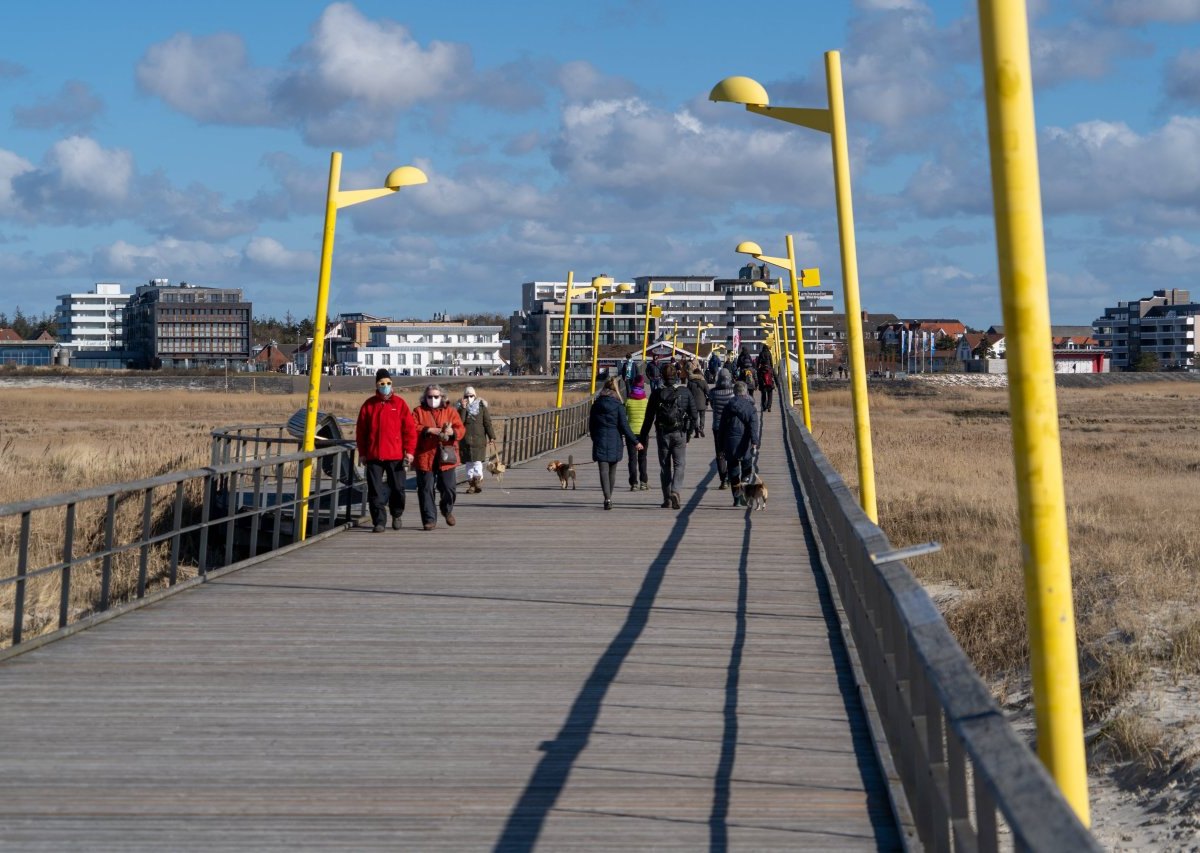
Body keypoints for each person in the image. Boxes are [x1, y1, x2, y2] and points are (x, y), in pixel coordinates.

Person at [355, 368, 417, 532]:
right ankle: (379, 521)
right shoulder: (369, 405)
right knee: (374, 490)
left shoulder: (400, 404)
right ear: (376, 385)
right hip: (374, 455)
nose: (385, 386)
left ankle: (397, 514)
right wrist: (362, 453)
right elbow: (361, 431)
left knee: (398, 488)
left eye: (388, 383)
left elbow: (410, 430)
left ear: (392, 384)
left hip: (395, 455)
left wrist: (409, 451)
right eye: (382, 384)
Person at [638, 363, 699, 510]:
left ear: (662, 376)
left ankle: (667, 499)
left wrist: (642, 437)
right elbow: (694, 414)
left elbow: (648, 418)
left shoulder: (656, 393)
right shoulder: (684, 392)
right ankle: (675, 491)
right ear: (677, 374)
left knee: (665, 467)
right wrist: (689, 434)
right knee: (680, 464)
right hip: (680, 433)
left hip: (662, 433)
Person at [412, 384, 466, 531]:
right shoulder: (418, 411)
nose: (433, 399)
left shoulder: (451, 411)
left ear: (442, 397)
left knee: (449, 488)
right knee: (426, 488)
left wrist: (452, 432)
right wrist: (428, 430)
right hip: (425, 456)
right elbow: (412, 427)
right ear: (425, 397)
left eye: (436, 396)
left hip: (446, 455)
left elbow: (461, 430)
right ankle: (429, 519)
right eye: (430, 397)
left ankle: (446, 509)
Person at [589, 378, 643, 510]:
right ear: (615, 390)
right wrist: (635, 442)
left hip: (600, 438)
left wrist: (595, 438)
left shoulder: (596, 405)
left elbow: (591, 426)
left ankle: (606, 498)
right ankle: (609, 498)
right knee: (612, 472)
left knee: (603, 471)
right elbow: (624, 426)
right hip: (615, 439)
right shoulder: (618, 406)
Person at [718, 381, 761, 507]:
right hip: (745, 442)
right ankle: (744, 488)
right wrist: (754, 442)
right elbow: (753, 426)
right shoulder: (750, 407)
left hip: (730, 442)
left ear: (734, 392)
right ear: (745, 392)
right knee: (747, 468)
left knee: (733, 470)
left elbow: (722, 428)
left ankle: (736, 498)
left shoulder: (727, 407)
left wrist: (720, 446)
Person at [456, 385, 495, 494]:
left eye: (471, 396)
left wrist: (491, 436)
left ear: (475, 395)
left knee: (477, 462)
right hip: (465, 440)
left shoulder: (481, 406)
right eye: (466, 396)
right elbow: (460, 423)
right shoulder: (459, 407)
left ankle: (477, 482)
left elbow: (487, 422)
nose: (469, 398)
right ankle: (471, 485)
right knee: (468, 463)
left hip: (479, 439)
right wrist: (463, 408)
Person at [707, 368, 736, 489]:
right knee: (731, 452)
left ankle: (723, 480)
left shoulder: (713, 392)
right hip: (731, 426)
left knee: (720, 453)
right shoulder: (733, 392)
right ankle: (730, 476)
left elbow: (713, 406)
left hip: (717, 426)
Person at [624, 374, 650, 490]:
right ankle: (643, 482)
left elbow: (624, 417)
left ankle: (633, 483)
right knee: (643, 458)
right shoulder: (646, 401)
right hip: (643, 432)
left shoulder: (628, 401)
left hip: (631, 433)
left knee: (632, 459)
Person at [686, 367, 709, 438]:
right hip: (702, 402)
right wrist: (708, 400)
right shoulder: (703, 381)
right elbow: (708, 392)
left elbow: (687, 392)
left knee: (694, 417)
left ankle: (697, 432)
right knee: (702, 416)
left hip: (693, 403)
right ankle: (701, 428)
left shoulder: (690, 382)